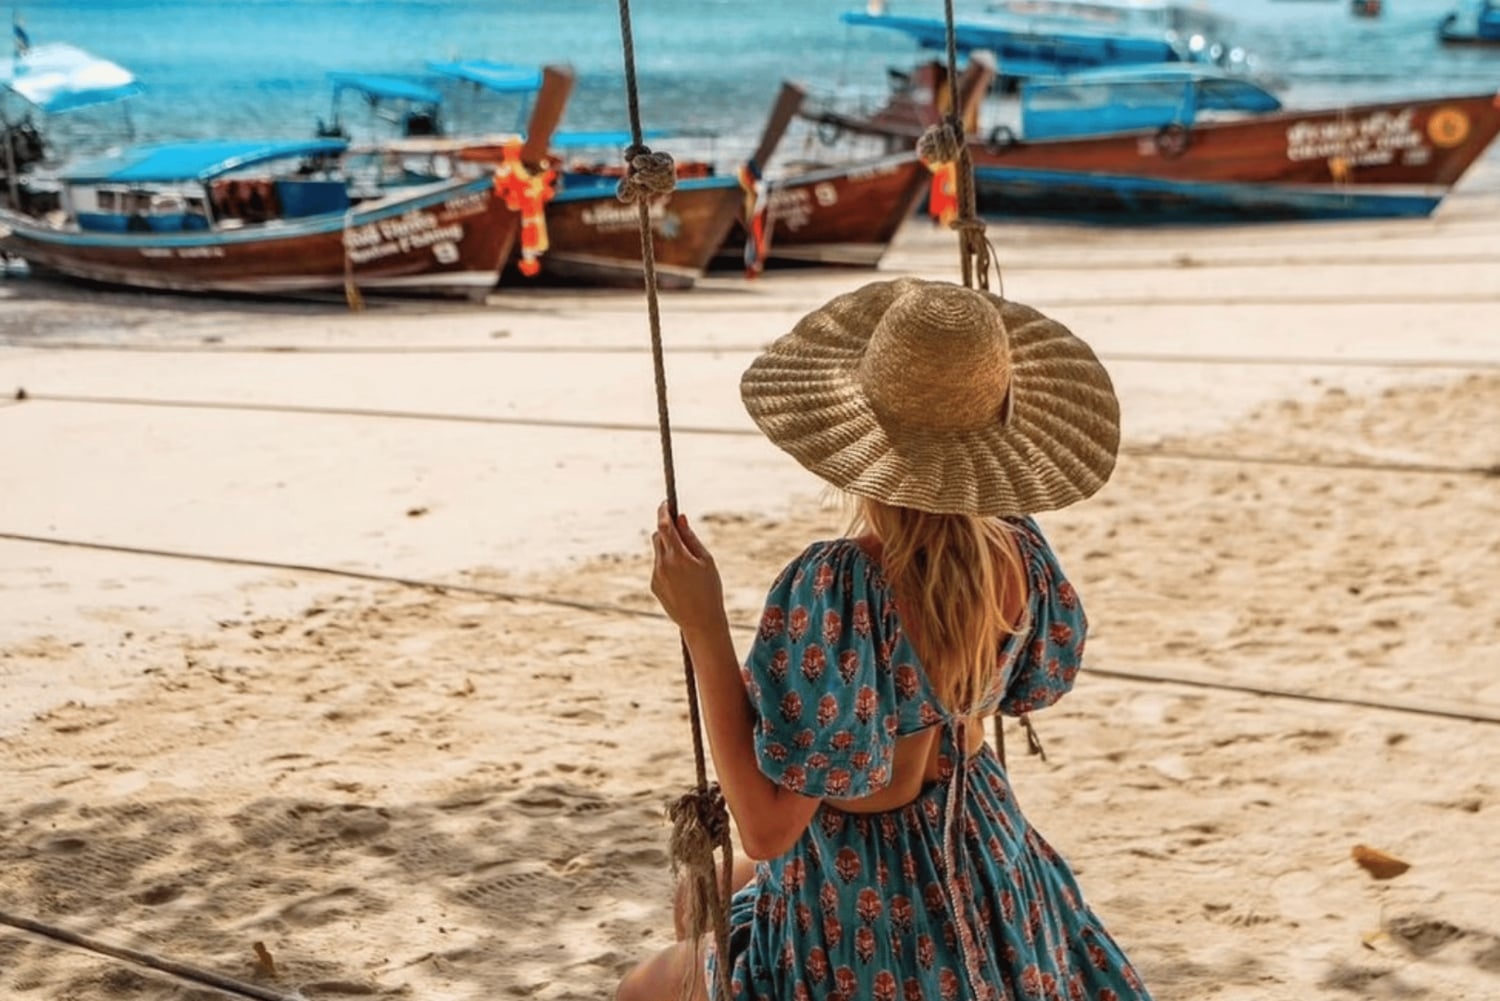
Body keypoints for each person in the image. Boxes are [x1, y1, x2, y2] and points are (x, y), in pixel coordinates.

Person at [619, 277, 1153, 1001]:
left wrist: (702, 627)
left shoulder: (845, 587)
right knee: (702, 902)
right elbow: (1016, 697)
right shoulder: (1016, 551)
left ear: (861, 430)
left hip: (870, 904)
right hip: (985, 858)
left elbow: (770, 828)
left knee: (639, 989)